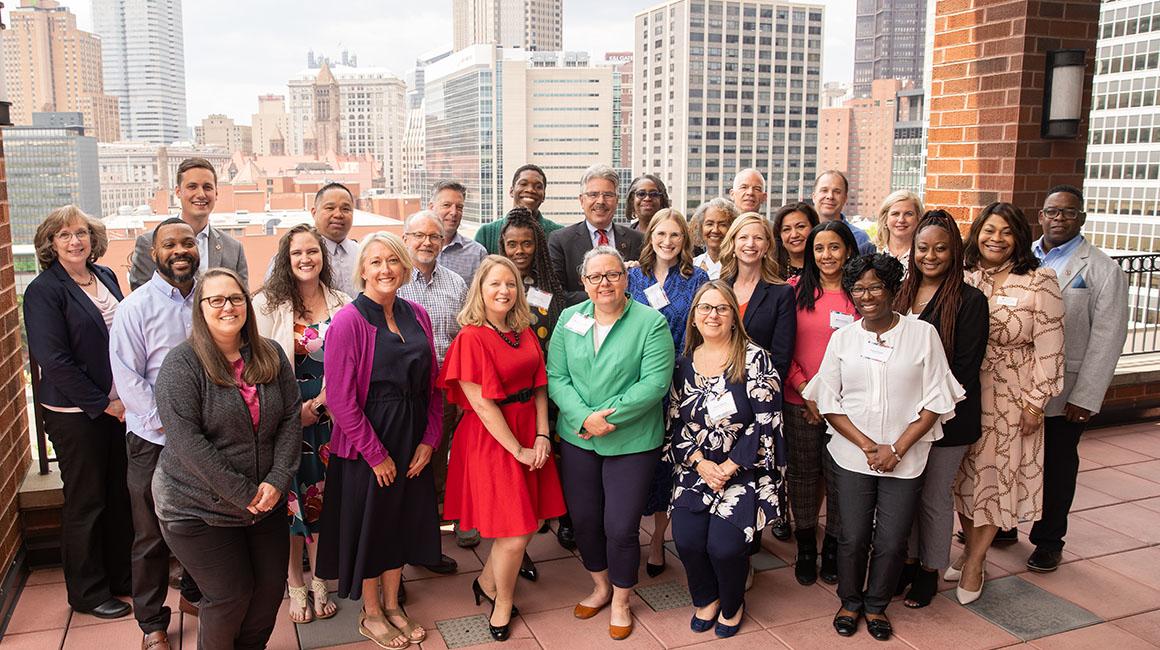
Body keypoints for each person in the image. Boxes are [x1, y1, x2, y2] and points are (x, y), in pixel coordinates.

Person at [802, 254, 963, 641]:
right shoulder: (844, 338)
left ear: (893, 289)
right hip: (852, 454)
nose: (867, 295)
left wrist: (897, 448)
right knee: (852, 535)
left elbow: (937, 400)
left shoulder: (922, 335)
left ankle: (876, 606)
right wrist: (869, 446)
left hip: (905, 457)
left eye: (876, 287)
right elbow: (828, 401)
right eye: (858, 288)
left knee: (892, 539)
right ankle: (850, 601)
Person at [153, 268, 301, 650]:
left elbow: (288, 417)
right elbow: (187, 443)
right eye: (215, 300)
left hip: (264, 499)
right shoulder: (182, 364)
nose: (227, 307)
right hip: (196, 506)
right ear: (200, 309)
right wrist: (243, 492)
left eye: (235, 298)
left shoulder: (270, 354)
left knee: (268, 592)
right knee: (231, 595)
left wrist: (278, 479)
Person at [316, 232, 442, 648]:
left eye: (392, 261)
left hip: (412, 435)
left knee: (400, 524)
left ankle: (393, 604)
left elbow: (434, 386)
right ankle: (371, 614)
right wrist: (375, 455)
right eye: (374, 262)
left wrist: (429, 439)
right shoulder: (349, 322)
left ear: (405, 267)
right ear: (363, 271)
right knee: (372, 529)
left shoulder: (417, 314)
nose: (384, 269)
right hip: (369, 442)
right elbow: (340, 399)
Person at [547, 247, 675, 641]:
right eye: (595, 277)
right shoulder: (571, 318)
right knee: (584, 521)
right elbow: (556, 376)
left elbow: (654, 384)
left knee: (620, 526)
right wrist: (584, 417)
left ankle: (621, 598)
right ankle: (600, 585)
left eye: (612, 275)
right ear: (583, 283)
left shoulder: (650, 322)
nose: (604, 283)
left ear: (626, 278)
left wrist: (606, 418)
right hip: (578, 436)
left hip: (632, 440)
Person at [439, 256, 567, 641]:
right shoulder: (471, 337)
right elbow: (481, 404)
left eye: (510, 284)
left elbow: (540, 385)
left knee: (531, 523)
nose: (504, 291)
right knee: (514, 533)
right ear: (480, 289)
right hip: (493, 438)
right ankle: (503, 603)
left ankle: (484, 581)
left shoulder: (522, 329)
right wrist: (519, 450)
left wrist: (543, 436)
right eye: (494, 284)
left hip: (530, 428)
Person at [951, 202, 1065, 605]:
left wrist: (1036, 403)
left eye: (1005, 232)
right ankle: (968, 547)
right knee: (963, 477)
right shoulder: (963, 276)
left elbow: (1051, 349)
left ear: (1019, 237)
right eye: (988, 230)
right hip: (964, 393)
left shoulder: (1039, 281)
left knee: (995, 479)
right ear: (977, 233)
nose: (995, 239)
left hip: (1012, 397)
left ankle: (976, 561)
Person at [23, 206, 133, 620]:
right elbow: (53, 360)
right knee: (87, 501)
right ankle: (87, 592)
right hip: (77, 413)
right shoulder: (44, 291)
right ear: (51, 243)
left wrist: (125, 401)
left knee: (119, 495)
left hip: (119, 409)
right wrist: (104, 403)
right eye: (65, 234)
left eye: (82, 233)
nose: (75, 241)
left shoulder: (104, 276)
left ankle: (121, 577)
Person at [667, 281, 786, 639]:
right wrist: (701, 462)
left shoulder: (755, 358)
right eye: (705, 308)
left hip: (745, 470)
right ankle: (706, 598)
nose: (712, 315)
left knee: (724, 546)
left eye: (721, 308)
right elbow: (675, 419)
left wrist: (730, 466)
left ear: (734, 316)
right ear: (693, 317)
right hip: (697, 466)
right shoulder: (684, 361)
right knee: (687, 541)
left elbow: (767, 421)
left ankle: (732, 604)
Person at [109, 218, 201, 650]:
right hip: (154, 439)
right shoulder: (136, 308)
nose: (180, 249)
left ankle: (198, 598)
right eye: (170, 244)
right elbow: (129, 381)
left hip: (208, 436)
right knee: (150, 534)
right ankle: (151, 624)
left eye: (187, 242)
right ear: (153, 253)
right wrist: (174, 423)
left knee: (206, 523)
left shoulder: (212, 298)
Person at [253, 224, 352, 624]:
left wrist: (324, 404)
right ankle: (295, 583)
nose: (306, 259)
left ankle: (320, 578)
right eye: (297, 253)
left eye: (313, 251)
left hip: (332, 414)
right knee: (290, 501)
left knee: (324, 499)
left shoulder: (344, 302)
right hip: (286, 417)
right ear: (286, 259)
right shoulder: (265, 305)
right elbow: (257, 369)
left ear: (322, 257)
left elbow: (351, 363)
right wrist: (296, 412)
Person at [1026, 186, 1128, 572]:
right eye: (1052, 212)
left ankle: (1049, 538)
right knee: (1013, 461)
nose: (1059, 219)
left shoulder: (1102, 269)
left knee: (1057, 465)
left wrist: (1086, 396)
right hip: (1018, 385)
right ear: (1041, 216)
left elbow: (1109, 336)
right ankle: (1001, 525)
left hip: (1065, 390)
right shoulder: (1023, 258)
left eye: (1068, 213)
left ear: (1081, 218)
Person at [891, 211, 988, 608]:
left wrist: (924, 410)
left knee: (933, 498)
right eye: (923, 248)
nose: (930, 256)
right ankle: (909, 562)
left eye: (941, 249)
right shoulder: (900, 293)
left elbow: (963, 369)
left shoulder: (970, 301)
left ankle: (930, 570)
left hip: (948, 420)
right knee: (906, 495)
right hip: (902, 418)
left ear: (955, 252)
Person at [627, 209, 709, 577]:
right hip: (636, 380)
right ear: (650, 236)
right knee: (636, 461)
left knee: (670, 461)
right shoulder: (631, 276)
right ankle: (627, 535)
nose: (667, 241)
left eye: (675, 235)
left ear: (685, 240)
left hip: (679, 381)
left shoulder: (698, 278)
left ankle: (660, 537)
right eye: (661, 233)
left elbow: (703, 329)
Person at [783, 221, 859, 586]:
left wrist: (831, 399)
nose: (826, 255)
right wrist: (808, 390)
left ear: (847, 250)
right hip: (800, 399)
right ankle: (806, 546)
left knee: (841, 478)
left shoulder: (861, 294)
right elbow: (783, 350)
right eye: (819, 249)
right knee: (802, 476)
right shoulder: (793, 292)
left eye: (834, 247)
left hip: (847, 406)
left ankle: (832, 547)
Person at [499, 209, 576, 553]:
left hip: (551, 384)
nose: (519, 250)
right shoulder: (496, 284)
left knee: (555, 455)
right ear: (502, 244)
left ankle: (563, 518)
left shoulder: (549, 287)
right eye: (512, 244)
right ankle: (519, 540)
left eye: (527, 243)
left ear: (537, 245)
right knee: (517, 467)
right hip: (513, 390)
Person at [398, 211, 472, 560]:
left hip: (445, 390)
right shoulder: (393, 281)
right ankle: (408, 537)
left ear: (443, 243)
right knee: (407, 463)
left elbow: (463, 336)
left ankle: (434, 530)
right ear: (406, 238)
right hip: (405, 393)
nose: (426, 242)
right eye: (419, 236)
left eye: (434, 237)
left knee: (439, 460)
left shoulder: (456, 283)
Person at [719, 212, 796, 544]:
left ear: (767, 246)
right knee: (718, 471)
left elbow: (780, 355)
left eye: (758, 238)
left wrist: (753, 397)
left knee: (751, 473)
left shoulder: (780, 294)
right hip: (716, 397)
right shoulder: (717, 287)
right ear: (732, 243)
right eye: (743, 237)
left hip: (756, 402)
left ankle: (747, 549)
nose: (750, 244)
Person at [129, 157, 248, 290]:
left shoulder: (233, 249)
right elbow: (142, 300)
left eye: (207, 187)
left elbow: (242, 300)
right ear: (178, 192)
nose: (201, 194)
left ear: (216, 193)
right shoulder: (149, 243)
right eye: (192, 187)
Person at [548, 164, 644, 305]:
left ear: (617, 200)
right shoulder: (560, 241)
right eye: (593, 194)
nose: (600, 201)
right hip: (581, 321)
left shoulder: (638, 240)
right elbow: (557, 294)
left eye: (608, 195)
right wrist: (606, 297)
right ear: (581, 200)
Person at [475, 164, 565, 254]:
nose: (530, 190)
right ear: (511, 191)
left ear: (544, 196)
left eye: (538, 186)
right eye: (523, 184)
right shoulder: (486, 234)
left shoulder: (559, 234)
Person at [429, 180, 488, 284]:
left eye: (459, 207)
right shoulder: (413, 251)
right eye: (446, 205)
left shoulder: (477, 254)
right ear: (431, 208)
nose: (454, 212)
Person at [811, 170, 875, 255]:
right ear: (814, 196)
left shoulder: (860, 238)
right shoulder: (802, 234)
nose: (830, 196)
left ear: (845, 198)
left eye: (837, 192)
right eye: (824, 190)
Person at [874, 190, 924, 270]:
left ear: (918, 218)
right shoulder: (868, 250)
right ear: (885, 218)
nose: (901, 220)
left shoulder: (925, 255)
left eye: (908, 214)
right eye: (895, 214)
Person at [690, 198, 739, 280]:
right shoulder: (692, 265)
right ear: (700, 228)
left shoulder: (740, 265)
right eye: (709, 224)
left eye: (722, 224)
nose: (715, 230)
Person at [773, 202, 820, 280]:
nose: (794, 235)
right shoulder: (771, 271)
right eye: (786, 229)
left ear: (814, 228)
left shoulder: (826, 266)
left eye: (801, 226)